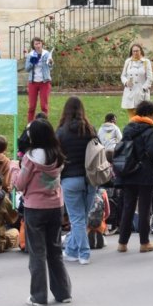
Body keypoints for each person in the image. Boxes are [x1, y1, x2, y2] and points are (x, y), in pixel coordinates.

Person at [14, 119, 71, 306]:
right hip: (56, 206)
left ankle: (38, 295)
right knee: (55, 251)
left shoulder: (30, 158)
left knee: (37, 253)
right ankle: (63, 292)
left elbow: (20, 184)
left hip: (35, 208)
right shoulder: (58, 155)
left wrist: (15, 169)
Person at [114, 100, 153, 253]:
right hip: (145, 173)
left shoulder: (128, 128)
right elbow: (152, 151)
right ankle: (144, 243)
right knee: (144, 208)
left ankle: (122, 243)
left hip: (129, 171)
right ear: (149, 114)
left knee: (128, 207)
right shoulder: (151, 130)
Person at [56, 96, 98, 265]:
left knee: (77, 219)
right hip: (90, 178)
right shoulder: (90, 129)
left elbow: (56, 157)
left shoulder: (60, 132)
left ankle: (83, 252)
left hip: (70, 178)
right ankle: (72, 250)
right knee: (82, 217)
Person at [24, 36, 54, 123]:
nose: (38, 45)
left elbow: (50, 67)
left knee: (44, 106)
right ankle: (29, 124)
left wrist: (51, 62)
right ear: (33, 46)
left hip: (44, 82)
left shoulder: (46, 54)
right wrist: (33, 62)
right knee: (32, 106)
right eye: (36, 44)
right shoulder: (30, 55)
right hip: (33, 83)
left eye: (39, 43)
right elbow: (27, 69)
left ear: (42, 44)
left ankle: (44, 124)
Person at [120, 43, 153, 117]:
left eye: (137, 51)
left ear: (141, 51)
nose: (135, 53)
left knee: (142, 115)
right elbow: (123, 76)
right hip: (130, 92)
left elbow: (150, 78)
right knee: (132, 117)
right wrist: (126, 82)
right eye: (133, 51)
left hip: (141, 93)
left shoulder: (146, 62)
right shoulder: (128, 62)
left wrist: (144, 88)